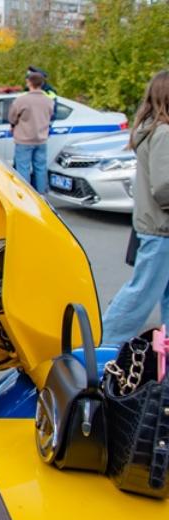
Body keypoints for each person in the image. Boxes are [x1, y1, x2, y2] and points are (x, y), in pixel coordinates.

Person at [101, 70, 169, 346]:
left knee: (155, 291)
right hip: (161, 228)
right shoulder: (163, 133)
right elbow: (164, 187)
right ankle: (102, 346)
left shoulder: (153, 128)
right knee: (141, 293)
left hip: (156, 226)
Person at [8, 71, 54, 194]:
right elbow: (50, 116)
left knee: (23, 168)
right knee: (40, 168)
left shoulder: (21, 100)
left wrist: (13, 125)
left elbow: (12, 118)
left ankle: (26, 194)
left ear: (29, 83)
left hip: (24, 139)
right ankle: (41, 194)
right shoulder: (49, 101)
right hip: (41, 139)